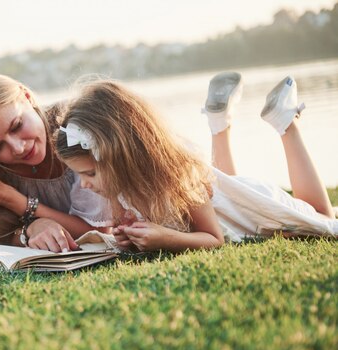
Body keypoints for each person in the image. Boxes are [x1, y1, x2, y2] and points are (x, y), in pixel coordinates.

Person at [53, 74, 337, 252]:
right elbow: (138, 229)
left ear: (121, 157)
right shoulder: (120, 187)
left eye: (89, 173)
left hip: (247, 206)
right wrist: (129, 237)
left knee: (322, 218)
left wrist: (166, 239)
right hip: (224, 201)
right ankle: (218, 124)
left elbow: (214, 238)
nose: (85, 184)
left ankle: (285, 121)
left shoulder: (177, 175)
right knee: (226, 184)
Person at [0, 70, 111, 252]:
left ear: (26, 97)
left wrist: (10, 198)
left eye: (17, 126)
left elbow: (99, 230)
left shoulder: (74, 129)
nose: (18, 148)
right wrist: (29, 231)